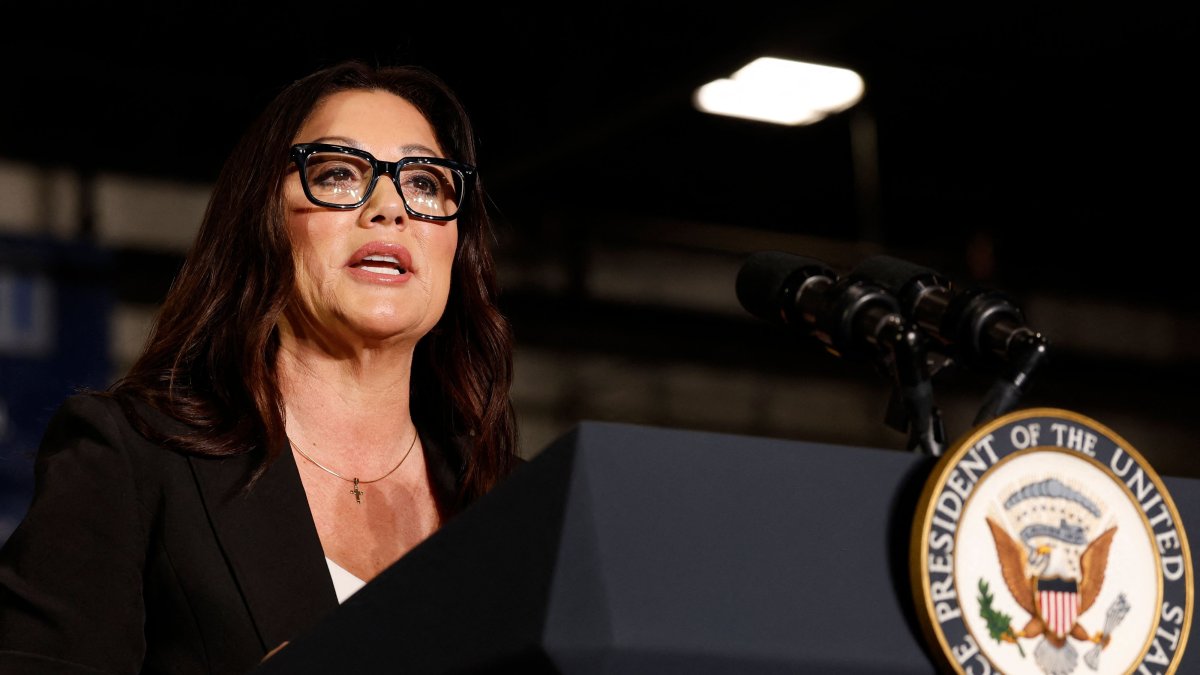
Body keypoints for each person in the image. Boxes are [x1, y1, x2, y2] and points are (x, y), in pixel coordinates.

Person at [0, 59, 521, 673]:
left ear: (457, 245)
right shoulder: (132, 458)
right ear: (261, 220)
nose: (389, 207)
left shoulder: (516, 504)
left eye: (427, 183)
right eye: (337, 174)